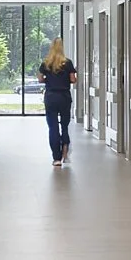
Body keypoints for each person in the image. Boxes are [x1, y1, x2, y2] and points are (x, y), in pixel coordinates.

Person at [38, 37, 79, 166]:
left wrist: (49, 80)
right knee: (65, 125)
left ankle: (56, 158)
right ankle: (65, 152)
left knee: (53, 127)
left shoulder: (46, 63)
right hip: (64, 97)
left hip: (51, 96)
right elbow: (73, 79)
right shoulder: (68, 63)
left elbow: (40, 79)